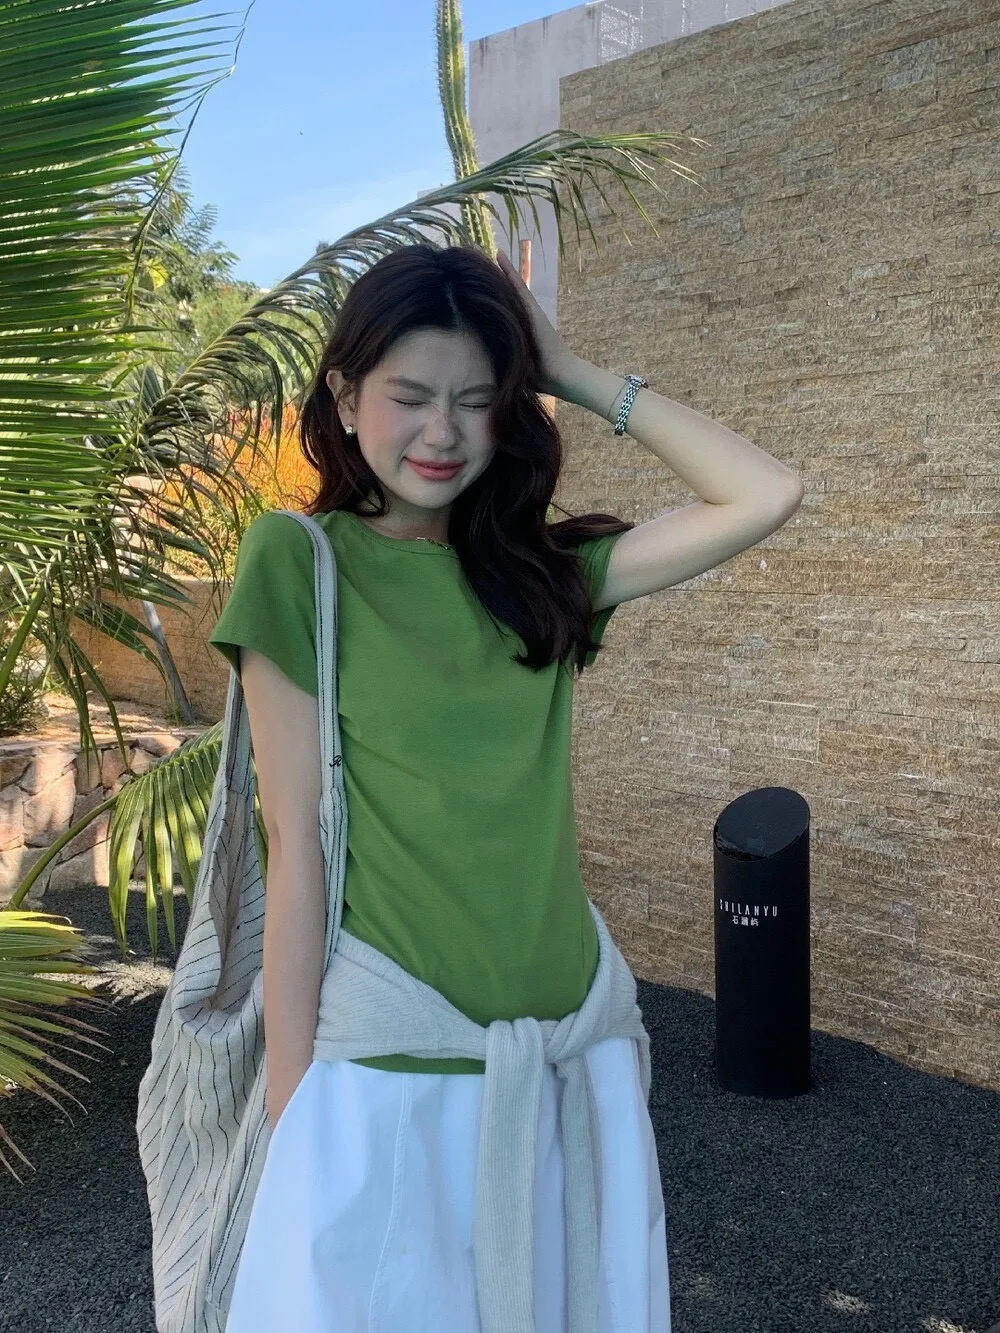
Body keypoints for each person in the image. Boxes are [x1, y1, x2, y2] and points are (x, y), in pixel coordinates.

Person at [207, 241, 670, 1331]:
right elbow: (296, 840)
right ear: (345, 394)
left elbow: (766, 493)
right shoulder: (298, 560)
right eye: (410, 396)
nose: (443, 432)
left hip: (572, 1056)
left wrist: (572, 371)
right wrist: (293, 1108)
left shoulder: (542, 577)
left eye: (476, 400)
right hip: (388, 1062)